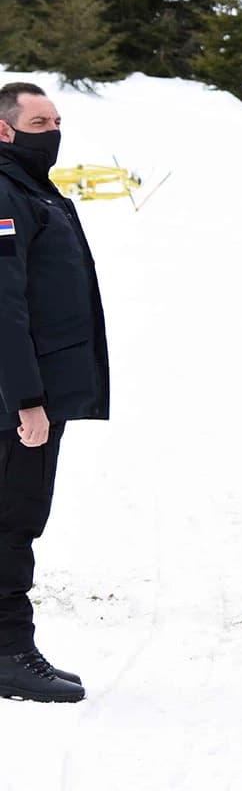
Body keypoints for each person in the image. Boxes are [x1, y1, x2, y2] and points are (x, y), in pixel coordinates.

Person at [0, 81, 109, 703]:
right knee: (12, 520)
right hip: (18, 397)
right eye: (41, 120)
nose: (54, 130)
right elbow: (4, 307)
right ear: (6, 130)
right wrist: (26, 400)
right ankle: (9, 653)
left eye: (58, 119)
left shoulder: (32, 188)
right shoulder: (7, 192)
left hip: (33, 389)